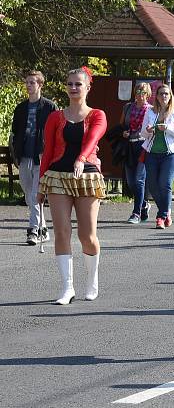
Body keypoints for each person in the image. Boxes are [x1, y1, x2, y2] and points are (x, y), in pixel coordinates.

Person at [37, 67, 107, 305]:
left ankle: (92, 279)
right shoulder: (55, 117)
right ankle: (67, 287)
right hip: (58, 176)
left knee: (86, 235)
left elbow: (92, 139)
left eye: (78, 84)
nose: (73, 88)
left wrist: (81, 159)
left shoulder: (97, 115)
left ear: (88, 87)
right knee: (62, 232)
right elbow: (47, 152)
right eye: (70, 84)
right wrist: (41, 184)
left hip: (87, 175)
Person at [11, 70, 57, 245]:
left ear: (40, 84)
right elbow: (15, 131)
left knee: (35, 195)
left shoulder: (49, 107)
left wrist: (50, 152)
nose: (28, 85)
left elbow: (56, 132)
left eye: (32, 82)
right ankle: (44, 229)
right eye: (27, 82)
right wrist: (16, 152)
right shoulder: (21, 108)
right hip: (24, 156)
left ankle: (33, 231)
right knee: (29, 196)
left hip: (42, 156)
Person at [142, 85, 174, 229]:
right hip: (152, 154)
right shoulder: (150, 112)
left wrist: (168, 128)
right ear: (157, 96)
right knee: (153, 186)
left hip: (171, 154)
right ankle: (166, 211)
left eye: (166, 94)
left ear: (170, 96)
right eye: (161, 94)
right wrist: (149, 130)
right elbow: (143, 133)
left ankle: (161, 216)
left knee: (165, 183)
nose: (164, 96)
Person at [120, 82, 152, 223]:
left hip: (143, 146)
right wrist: (124, 132)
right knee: (131, 181)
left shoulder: (151, 110)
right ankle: (144, 204)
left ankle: (136, 213)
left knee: (139, 180)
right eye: (138, 92)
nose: (140, 95)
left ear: (148, 95)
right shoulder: (128, 107)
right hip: (129, 146)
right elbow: (122, 124)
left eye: (143, 92)